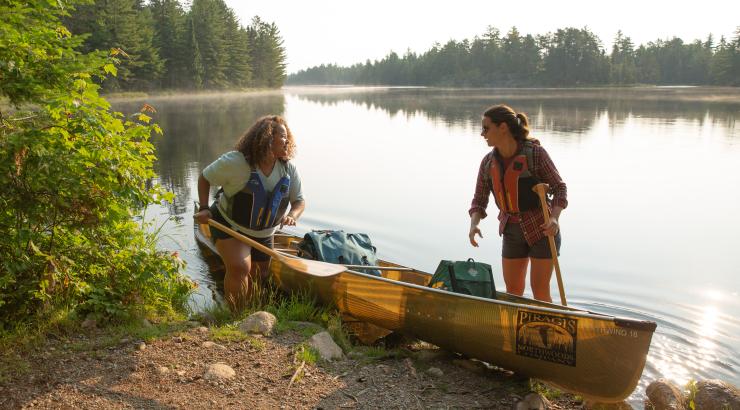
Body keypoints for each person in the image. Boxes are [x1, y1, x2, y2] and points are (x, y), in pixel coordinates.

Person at [194, 115, 305, 310]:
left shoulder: (288, 169)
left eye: (287, 137)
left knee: (258, 276)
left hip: (264, 234)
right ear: (267, 138)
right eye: (282, 136)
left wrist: (292, 215)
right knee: (240, 268)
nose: (287, 141)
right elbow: (204, 177)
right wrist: (203, 208)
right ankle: (235, 318)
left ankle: (251, 315)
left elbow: (299, 201)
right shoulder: (236, 162)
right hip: (229, 225)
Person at [468, 104, 567, 302]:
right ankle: (516, 330)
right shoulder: (488, 163)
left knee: (540, 291)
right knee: (513, 291)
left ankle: (547, 328)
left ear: (502, 127)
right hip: (511, 229)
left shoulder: (536, 154)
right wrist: (474, 224)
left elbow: (559, 188)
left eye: (486, 128)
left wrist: (554, 219)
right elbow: (479, 199)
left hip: (542, 228)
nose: (482, 134)